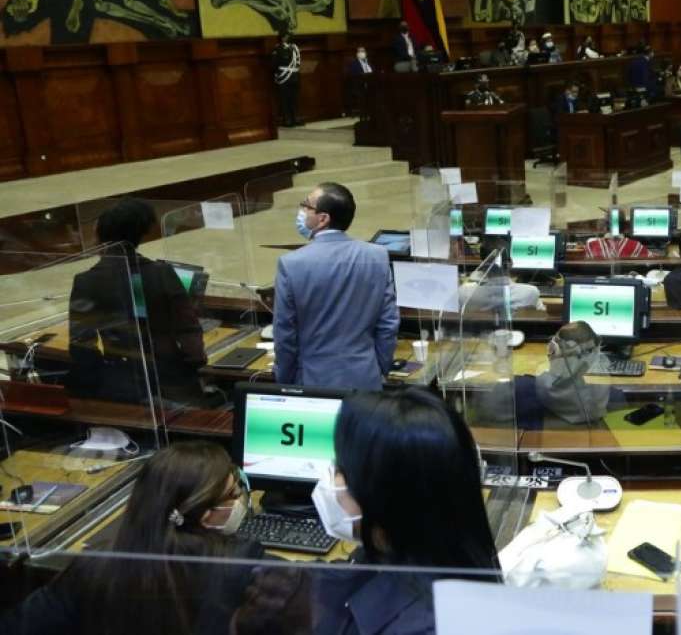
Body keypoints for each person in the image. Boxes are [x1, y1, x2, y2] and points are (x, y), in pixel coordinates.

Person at [0, 441, 262, 635]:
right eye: (233, 493)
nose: (240, 498)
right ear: (204, 515)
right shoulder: (244, 567)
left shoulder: (97, 564)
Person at [312, 390, 500, 634]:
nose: (331, 480)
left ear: (382, 495)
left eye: (340, 469)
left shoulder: (424, 624)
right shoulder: (399, 555)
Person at [68, 198, 209, 406]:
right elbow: (188, 329)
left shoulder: (86, 281)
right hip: (172, 383)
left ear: (100, 235)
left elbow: (81, 346)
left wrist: (101, 386)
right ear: (140, 235)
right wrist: (194, 368)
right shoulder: (163, 274)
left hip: (120, 386)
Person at [273, 183, 399, 390]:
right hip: (365, 377)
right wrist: (379, 368)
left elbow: (285, 334)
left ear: (323, 219)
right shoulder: (376, 256)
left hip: (313, 381)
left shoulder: (291, 264)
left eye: (306, 205)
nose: (302, 211)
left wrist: (285, 381)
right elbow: (388, 324)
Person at [271, 31, 300, 127]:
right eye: (286, 36)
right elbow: (274, 64)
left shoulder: (294, 48)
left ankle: (295, 117)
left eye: (289, 36)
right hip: (283, 77)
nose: (288, 38)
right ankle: (287, 119)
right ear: (282, 38)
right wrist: (276, 74)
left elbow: (298, 62)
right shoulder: (278, 48)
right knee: (284, 99)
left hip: (294, 76)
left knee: (294, 98)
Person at [343, 46, 373, 117]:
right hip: (359, 85)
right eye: (360, 51)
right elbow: (354, 76)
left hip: (370, 84)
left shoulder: (368, 62)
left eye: (363, 51)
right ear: (357, 54)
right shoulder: (354, 64)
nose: (362, 53)